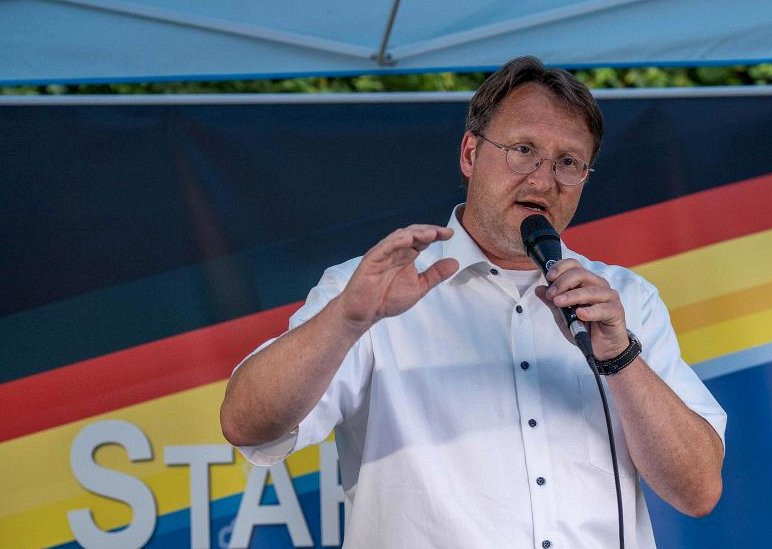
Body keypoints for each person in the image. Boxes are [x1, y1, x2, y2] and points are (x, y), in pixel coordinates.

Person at [220, 56, 726, 548]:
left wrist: (620, 359)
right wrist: (347, 320)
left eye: (568, 163)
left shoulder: (626, 302)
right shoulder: (370, 291)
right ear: (469, 154)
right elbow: (245, 424)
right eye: (523, 150)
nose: (543, 179)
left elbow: (698, 491)